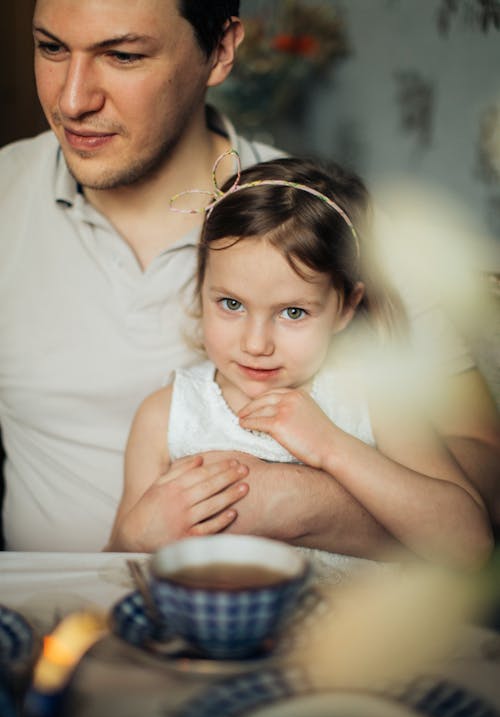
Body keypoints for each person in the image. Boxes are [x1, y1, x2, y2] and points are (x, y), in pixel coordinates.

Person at [0, 0, 499, 553]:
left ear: (220, 50)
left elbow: (484, 480)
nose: (72, 100)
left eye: (122, 55)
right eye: (51, 48)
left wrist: (304, 502)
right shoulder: (6, 193)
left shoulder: (335, 227)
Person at [108, 155, 493, 568]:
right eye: (231, 303)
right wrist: (133, 535)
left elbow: (471, 544)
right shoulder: (166, 415)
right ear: (201, 289)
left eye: (293, 312)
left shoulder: (373, 399)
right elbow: (106, 568)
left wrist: (332, 447)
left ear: (346, 307)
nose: (256, 344)